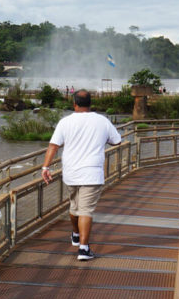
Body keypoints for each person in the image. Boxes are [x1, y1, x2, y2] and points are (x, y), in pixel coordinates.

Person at [41, 89, 121, 260]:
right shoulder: (102, 121)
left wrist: (45, 168)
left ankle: (76, 235)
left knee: (75, 206)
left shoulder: (65, 122)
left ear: (74, 104)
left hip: (70, 172)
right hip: (92, 172)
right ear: (91, 104)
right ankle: (83, 249)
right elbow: (117, 141)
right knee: (85, 210)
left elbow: (53, 146)